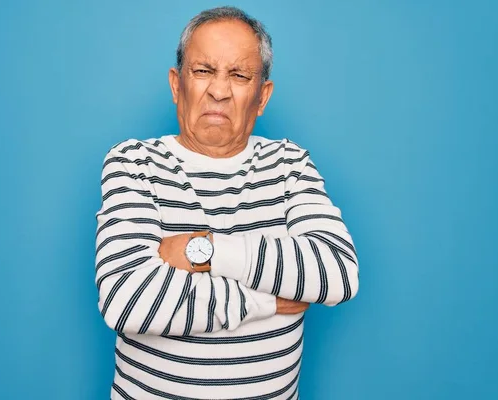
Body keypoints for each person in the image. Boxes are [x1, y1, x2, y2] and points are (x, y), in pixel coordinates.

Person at [95, 6, 359, 399]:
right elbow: (129, 301)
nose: (218, 90)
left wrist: (202, 251)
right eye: (203, 71)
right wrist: (265, 301)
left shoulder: (290, 164)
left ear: (262, 95)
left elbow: (337, 273)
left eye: (239, 75)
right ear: (176, 84)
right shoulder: (133, 162)